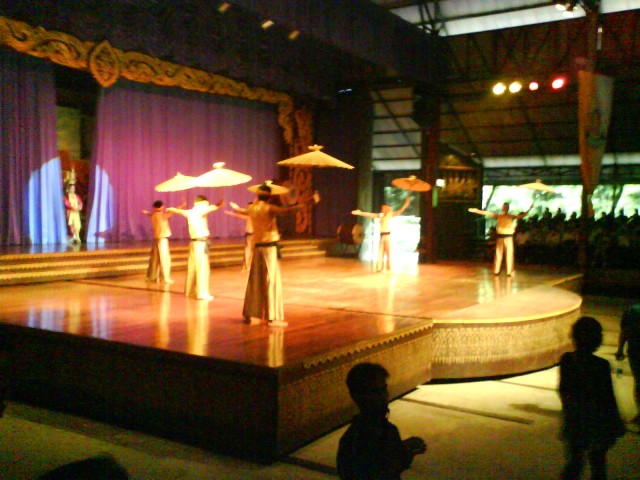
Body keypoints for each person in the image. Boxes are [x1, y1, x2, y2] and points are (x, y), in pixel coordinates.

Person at [230, 183, 319, 327]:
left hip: (257, 248)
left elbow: (243, 211)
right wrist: (309, 202)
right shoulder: (269, 208)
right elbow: (288, 211)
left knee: (255, 281)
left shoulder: (252, 208)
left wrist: (236, 208)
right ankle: (272, 318)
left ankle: (250, 314)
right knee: (271, 280)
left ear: (257, 195)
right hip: (268, 249)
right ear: (270, 196)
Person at [559, 316, 625, 480]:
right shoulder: (601, 365)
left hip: (575, 419)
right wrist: (615, 422)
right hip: (597, 421)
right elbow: (607, 397)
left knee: (575, 462)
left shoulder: (566, 360)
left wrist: (568, 414)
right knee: (598, 463)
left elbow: (563, 390)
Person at [337, 363, 427, 480]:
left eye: (383, 389)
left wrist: (403, 449)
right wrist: (402, 451)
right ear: (357, 396)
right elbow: (380, 471)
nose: (382, 396)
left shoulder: (386, 429)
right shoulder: (355, 441)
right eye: (374, 392)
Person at [168, 195, 224, 301]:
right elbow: (213, 207)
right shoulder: (201, 210)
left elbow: (179, 211)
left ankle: (190, 291)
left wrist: (172, 209)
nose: (207, 205)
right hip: (201, 243)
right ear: (202, 203)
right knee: (203, 268)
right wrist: (220, 203)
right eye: (206, 203)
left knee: (192, 267)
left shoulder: (190, 212)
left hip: (194, 243)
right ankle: (202, 293)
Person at [468, 202, 532, 276]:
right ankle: (496, 270)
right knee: (498, 254)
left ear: (508, 208)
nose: (505, 208)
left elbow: (521, 216)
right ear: (502, 208)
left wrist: (529, 209)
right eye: (504, 207)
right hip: (500, 237)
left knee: (509, 255)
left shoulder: (511, 217)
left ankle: (509, 271)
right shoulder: (499, 216)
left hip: (508, 237)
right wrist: (476, 211)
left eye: (506, 207)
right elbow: (488, 213)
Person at [352, 197, 412, 272]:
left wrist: (405, 204)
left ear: (387, 209)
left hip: (388, 235)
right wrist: (360, 213)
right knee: (380, 252)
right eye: (382, 208)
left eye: (383, 208)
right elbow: (370, 215)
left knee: (388, 251)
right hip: (382, 235)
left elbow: (400, 211)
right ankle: (379, 267)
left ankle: (389, 266)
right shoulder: (380, 215)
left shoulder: (390, 215)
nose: (382, 209)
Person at [142, 200, 185, 284]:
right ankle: (164, 278)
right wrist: (181, 205)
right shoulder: (162, 216)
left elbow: (150, 214)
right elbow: (173, 212)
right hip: (162, 240)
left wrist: (147, 213)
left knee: (154, 260)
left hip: (156, 239)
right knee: (164, 259)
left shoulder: (154, 215)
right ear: (161, 206)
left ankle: (152, 277)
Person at [615, 303, 640, 426]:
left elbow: (625, 331)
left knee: (639, 382)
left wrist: (620, 349)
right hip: (635, 350)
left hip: (636, 350)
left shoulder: (632, 311)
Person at [225, 202, 253, 272]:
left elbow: (241, 213)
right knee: (248, 250)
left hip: (254, 234)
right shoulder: (249, 215)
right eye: (248, 207)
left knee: (250, 251)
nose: (248, 208)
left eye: (250, 207)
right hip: (249, 234)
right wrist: (231, 213)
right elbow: (240, 215)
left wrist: (236, 208)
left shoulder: (254, 214)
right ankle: (247, 266)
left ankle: (249, 266)